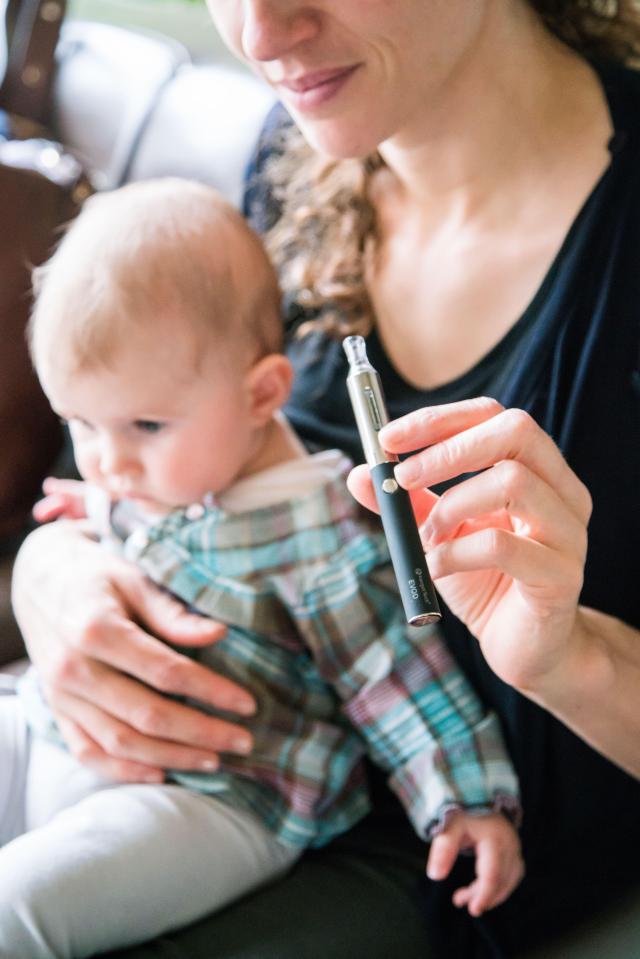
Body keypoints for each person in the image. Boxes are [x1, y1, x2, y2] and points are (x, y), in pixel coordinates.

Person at [9, 0, 640, 956]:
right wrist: (51, 573)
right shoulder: (299, 150)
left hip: (424, 864)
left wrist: (569, 656)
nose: (260, 35)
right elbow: (151, 453)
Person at [0, 177, 524, 958]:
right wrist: (91, 514)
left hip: (225, 798)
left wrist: (465, 802)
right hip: (59, 726)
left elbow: (393, 679)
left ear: (261, 394)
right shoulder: (170, 463)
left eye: (143, 424)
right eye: (80, 422)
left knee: (21, 907)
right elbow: (128, 499)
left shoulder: (321, 540)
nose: (108, 460)